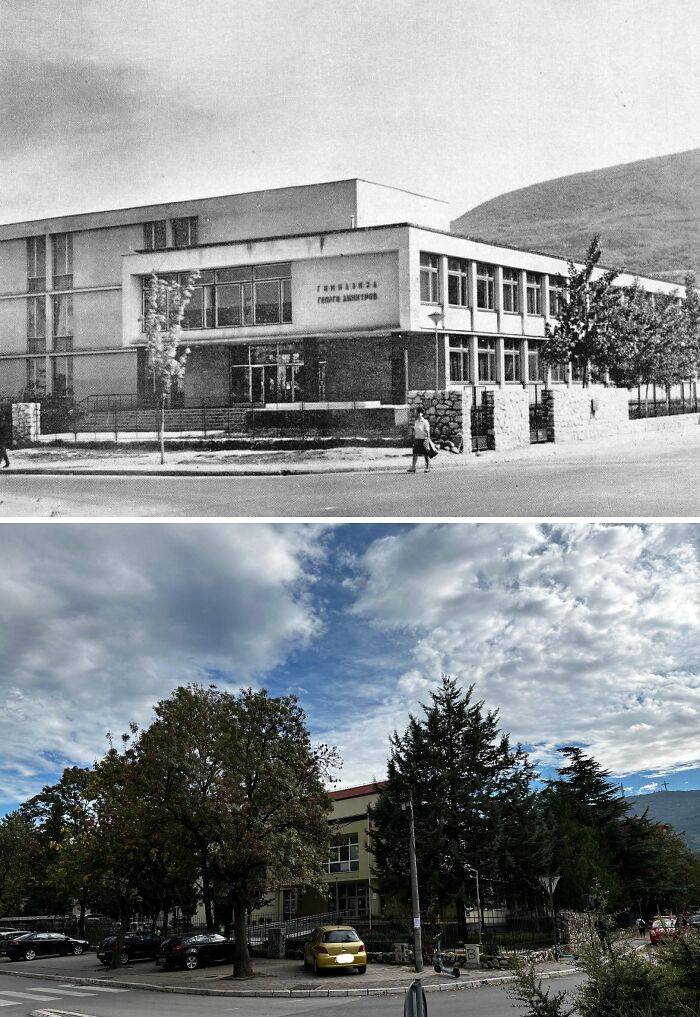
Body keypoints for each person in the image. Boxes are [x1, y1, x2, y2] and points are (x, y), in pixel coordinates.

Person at [408, 407, 432, 473]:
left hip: (424, 439)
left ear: (422, 414)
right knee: (415, 453)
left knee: (426, 454)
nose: (418, 414)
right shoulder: (416, 422)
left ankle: (427, 467)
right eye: (417, 413)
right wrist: (413, 438)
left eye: (420, 413)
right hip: (417, 439)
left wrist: (428, 440)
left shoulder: (425, 422)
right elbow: (415, 431)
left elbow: (427, 432)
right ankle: (413, 467)